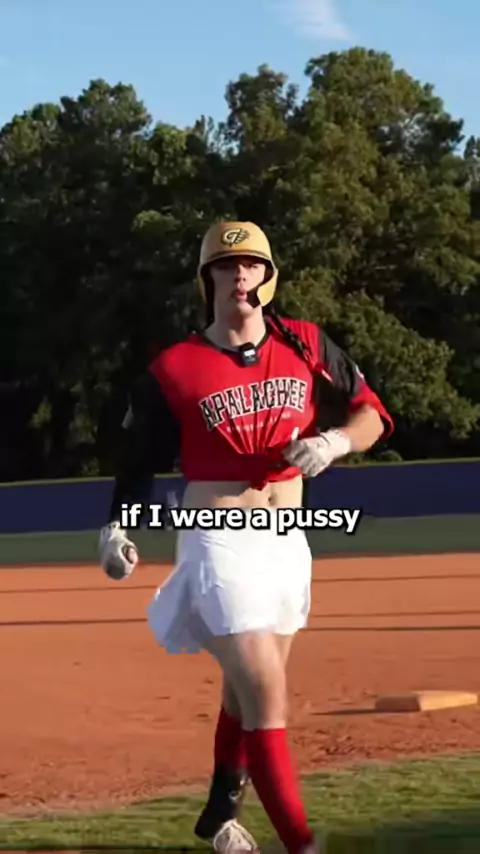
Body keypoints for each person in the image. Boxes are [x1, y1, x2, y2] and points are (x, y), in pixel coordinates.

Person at [99, 221, 393, 854]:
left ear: (269, 277)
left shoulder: (305, 343)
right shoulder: (173, 367)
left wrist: (334, 441)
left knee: (245, 689)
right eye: (226, 267)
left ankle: (218, 815)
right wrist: (117, 526)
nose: (240, 276)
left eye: (252, 265)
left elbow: (372, 414)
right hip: (217, 539)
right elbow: (137, 460)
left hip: (287, 538)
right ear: (206, 280)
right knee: (265, 688)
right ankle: (302, 845)